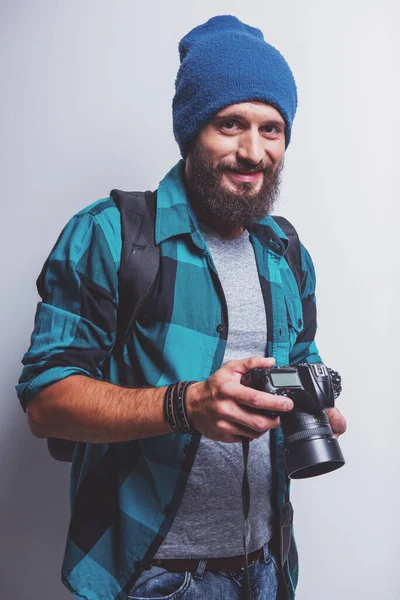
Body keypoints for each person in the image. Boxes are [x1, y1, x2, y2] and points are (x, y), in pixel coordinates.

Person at [16, 14, 346, 600]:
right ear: (192, 130)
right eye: (230, 124)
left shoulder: (287, 251)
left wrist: (319, 410)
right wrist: (185, 404)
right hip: (154, 576)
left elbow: (303, 360)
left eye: (272, 129)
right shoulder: (112, 234)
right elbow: (46, 401)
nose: (253, 151)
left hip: (267, 569)